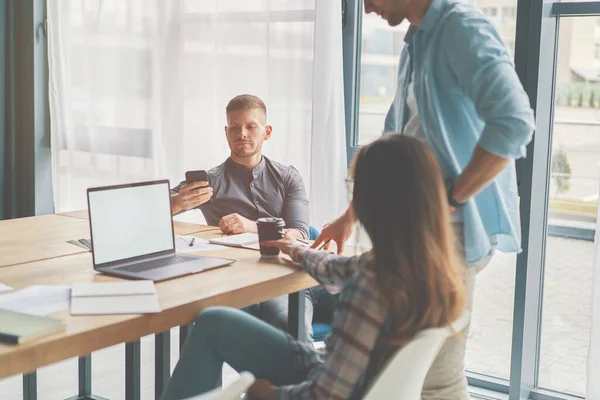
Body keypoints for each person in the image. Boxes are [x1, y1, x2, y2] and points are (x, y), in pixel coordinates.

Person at [312, 0, 536, 398]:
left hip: (448, 234)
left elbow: (515, 121)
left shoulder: (461, 29)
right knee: (406, 373)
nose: (364, 9)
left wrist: (452, 195)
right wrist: (351, 214)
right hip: (423, 231)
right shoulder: (417, 41)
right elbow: (394, 137)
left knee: (436, 380)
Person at [160, 134, 466, 400]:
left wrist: (268, 393)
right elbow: (342, 268)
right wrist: (296, 249)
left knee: (213, 324)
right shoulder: (426, 267)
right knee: (216, 319)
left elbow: (325, 396)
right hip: (345, 377)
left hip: (323, 388)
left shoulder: (372, 289)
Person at [170, 94, 319, 342]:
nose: (242, 134)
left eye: (251, 126)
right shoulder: (210, 181)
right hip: (238, 279)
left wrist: (252, 227)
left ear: (267, 132)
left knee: (371, 299)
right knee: (284, 325)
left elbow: (299, 233)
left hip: (287, 273)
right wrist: (175, 203)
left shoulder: (288, 177)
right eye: (235, 127)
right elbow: (151, 211)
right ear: (226, 132)